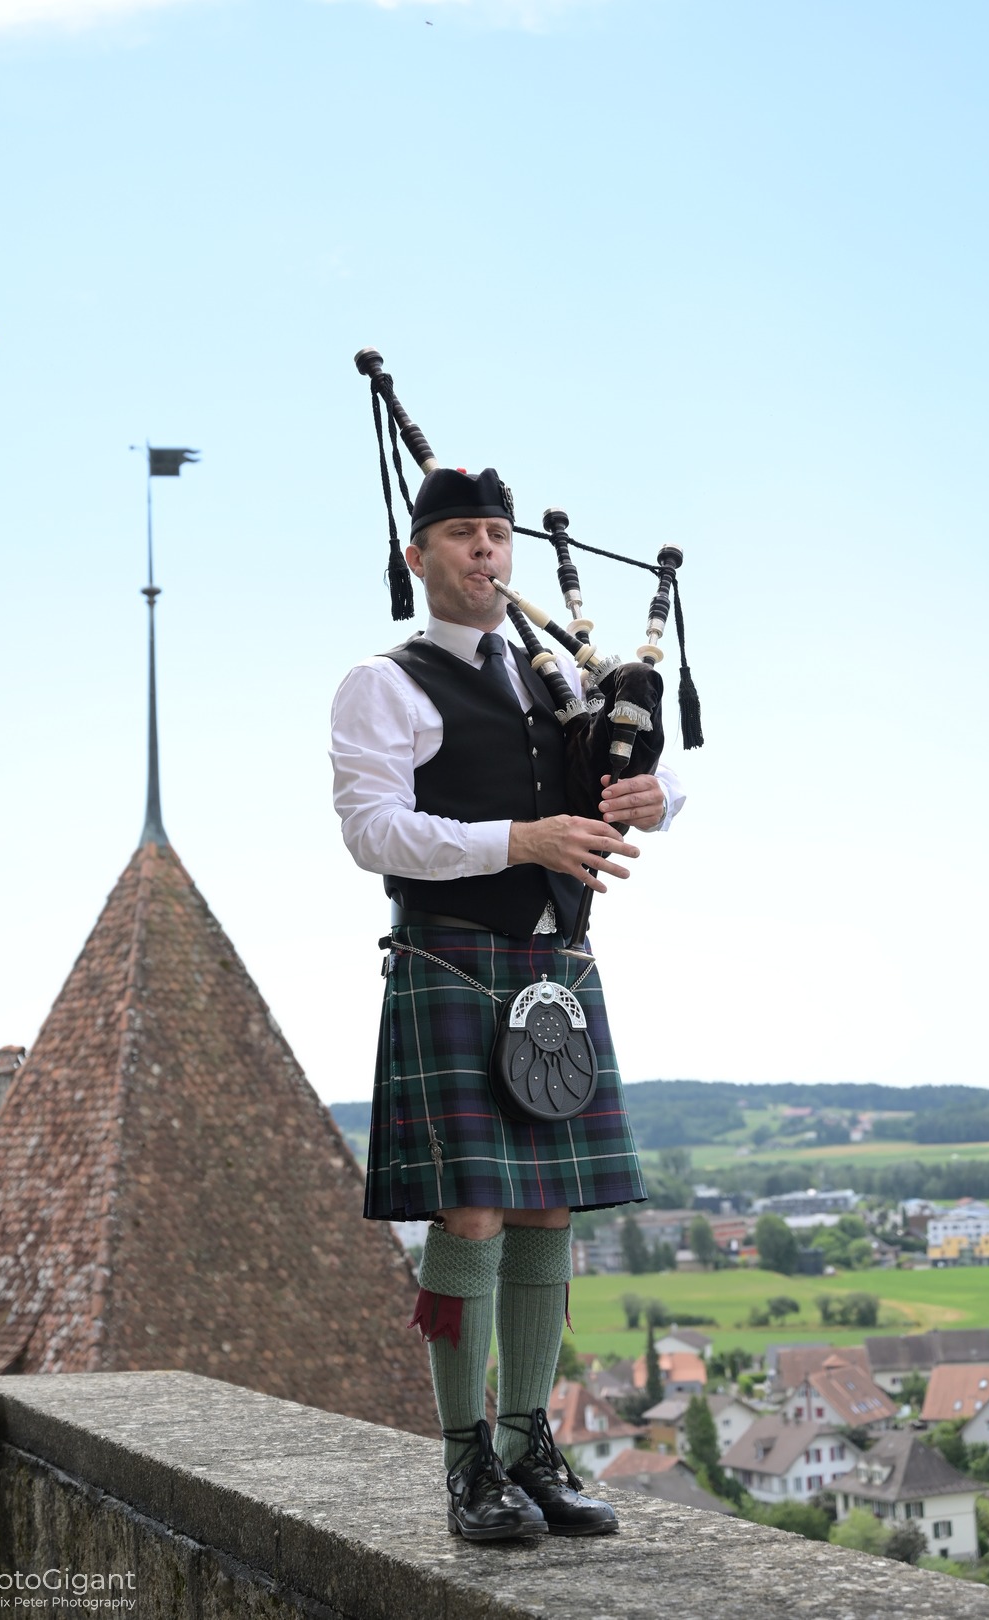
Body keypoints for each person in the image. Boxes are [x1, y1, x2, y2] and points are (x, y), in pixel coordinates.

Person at [331, 467, 685, 1542]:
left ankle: (532, 1447)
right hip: (451, 960)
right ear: (418, 557)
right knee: (471, 1213)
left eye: (497, 536)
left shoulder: (554, 679)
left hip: (556, 969)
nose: (487, 553)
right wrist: (520, 843)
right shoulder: (382, 683)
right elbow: (371, 832)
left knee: (545, 1210)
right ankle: (465, 1468)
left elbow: (643, 783)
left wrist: (654, 799)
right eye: (463, 537)